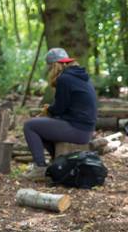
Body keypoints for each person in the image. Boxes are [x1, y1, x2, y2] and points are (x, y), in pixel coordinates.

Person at [21, 48, 97, 180]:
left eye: (50, 68)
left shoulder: (65, 78)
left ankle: (39, 168)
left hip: (78, 129)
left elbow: (59, 110)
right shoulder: (79, 76)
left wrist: (48, 110)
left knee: (30, 126)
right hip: (86, 129)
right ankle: (57, 163)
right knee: (40, 126)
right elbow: (66, 108)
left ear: (54, 65)